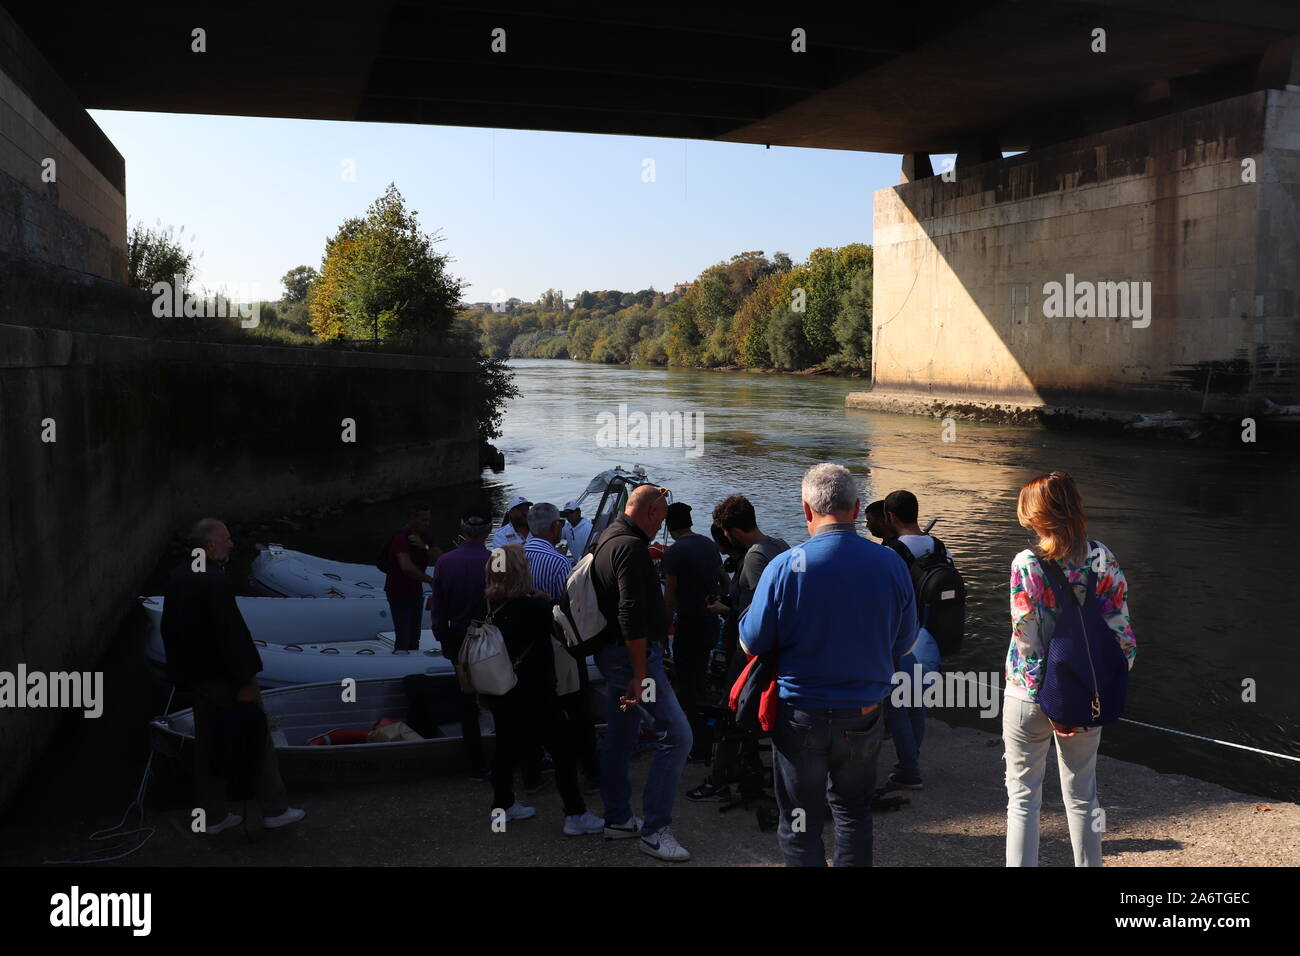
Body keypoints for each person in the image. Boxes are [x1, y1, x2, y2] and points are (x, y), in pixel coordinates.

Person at [739, 464, 916, 867]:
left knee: (801, 822)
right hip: (865, 711)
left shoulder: (785, 566)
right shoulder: (891, 565)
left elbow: (752, 641)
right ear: (856, 509)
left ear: (806, 510)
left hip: (801, 712)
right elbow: (905, 643)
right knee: (853, 812)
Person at [1005, 470, 1136, 867]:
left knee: (1023, 799)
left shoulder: (1026, 564)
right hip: (1087, 694)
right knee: (1083, 797)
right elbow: (1123, 639)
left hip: (1029, 697)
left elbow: (1028, 641)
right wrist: (1092, 690)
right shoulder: (1103, 558)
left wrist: (1050, 702)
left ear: (1036, 516)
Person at [160, 518, 305, 835]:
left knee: (208, 746)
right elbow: (229, 634)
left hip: (198, 679)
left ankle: (213, 816)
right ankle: (274, 809)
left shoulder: (179, 576)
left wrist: (181, 674)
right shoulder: (213, 581)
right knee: (255, 739)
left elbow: (170, 630)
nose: (232, 544)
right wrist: (243, 681)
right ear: (210, 546)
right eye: (226, 539)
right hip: (225, 677)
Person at [589, 484, 693, 861]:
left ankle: (618, 818)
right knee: (678, 736)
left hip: (611, 655)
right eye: (662, 518)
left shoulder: (606, 537)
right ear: (650, 512)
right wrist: (640, 674)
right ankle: (654, 830)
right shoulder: (631, 548)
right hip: (634, 662)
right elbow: (631, 616)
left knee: (622, 734)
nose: (661, 526)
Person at [480, 544, 605, 837]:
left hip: (501, 690)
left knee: (506, 748)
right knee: (563, 750)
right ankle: (575, 814)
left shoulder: (489, 605)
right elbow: (566, 632)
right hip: (535, 690)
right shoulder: (535, 608)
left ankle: (503, 805)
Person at [525, 501, 602, 792]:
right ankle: (590, 772)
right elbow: (571, 609)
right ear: (555, 527)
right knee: (578, 711)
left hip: (526, 650)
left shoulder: (514, 556)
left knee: (532, 712)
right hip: (561, 648)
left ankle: (532, 773)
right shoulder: (558, 562)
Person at [878, 489, 949, 790]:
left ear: (891, 517)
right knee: (916, 701)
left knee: (897, 704)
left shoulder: (891, 551)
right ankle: (911, 761)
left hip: (900, 636)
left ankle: (909, 769)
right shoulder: (940, 546)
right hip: (932, 634)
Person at [430, 506, 492, 779]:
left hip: (457, 636)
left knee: (467, 702)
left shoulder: (444, 562)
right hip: (490, 638)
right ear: (489, 531)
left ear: (462, 530)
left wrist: (444, 640)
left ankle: (475, 765)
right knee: (499, 696)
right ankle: (507, 758)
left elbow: (438, 609)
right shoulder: (496, 561)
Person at [660, 502, 722, 762]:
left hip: (688, 626)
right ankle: (707, 741)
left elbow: (670, 598)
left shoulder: (674, 553)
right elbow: (725, 583)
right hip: (711, 623)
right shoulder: (708, 544)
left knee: (686, 687)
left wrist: (662, 632)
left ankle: (692, 746)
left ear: (668, 525)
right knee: (701, 682)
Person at [384, 507, 439, 652]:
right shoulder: (401, 538)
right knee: (403, 635)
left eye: (428, 519)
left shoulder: (426, 536)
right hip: (398, 591)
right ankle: (402, 665)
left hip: (415, 591)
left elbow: (440, 557)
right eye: (423, 520)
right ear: (412, 519)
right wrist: (430, 580)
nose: (427, 523)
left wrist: (424, 546)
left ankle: (414, 663)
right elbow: (406, 566)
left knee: (415, 635)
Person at [522, 503, 572, 602]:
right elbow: (570, 605)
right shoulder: (561, 563)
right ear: (555, 526)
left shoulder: (515, 556)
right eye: (561, 522)